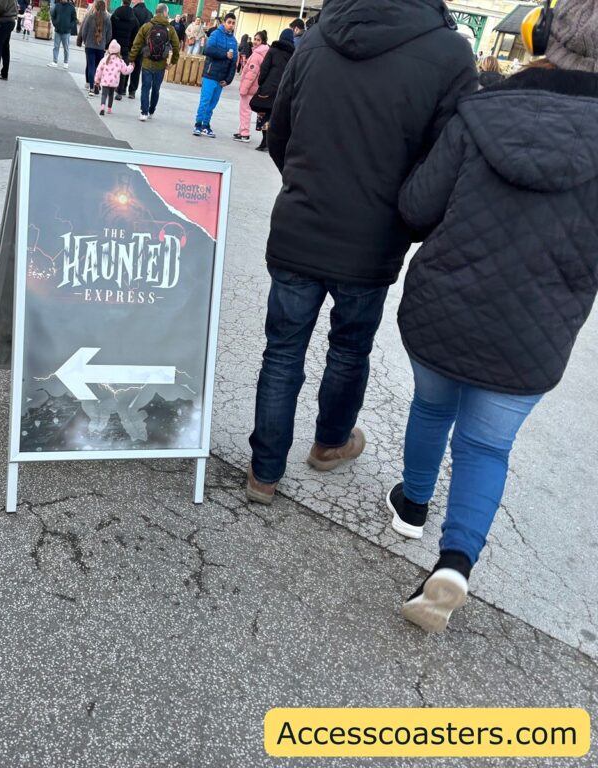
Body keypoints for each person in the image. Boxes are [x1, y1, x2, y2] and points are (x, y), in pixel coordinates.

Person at [389, 0, 598, 633]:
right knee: (486, 445)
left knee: (431, 408)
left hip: (441, 310)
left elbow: (417, 208)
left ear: (539, 34)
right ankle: (453, 564)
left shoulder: (478, 111)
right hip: (534, 334)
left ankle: (412, 506)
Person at [244, 0, 477, 507]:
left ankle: (265, 471)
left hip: (300, 223)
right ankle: (329, 444)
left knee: (282, 350)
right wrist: (407, 218)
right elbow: (446, 161)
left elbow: (280, 130)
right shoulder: (450, 51)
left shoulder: (321, 35)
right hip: (373, 236)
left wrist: (304, 187)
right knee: (349, 349)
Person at [128, 2, 179, 121]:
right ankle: (151, 111)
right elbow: (176, 47)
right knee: (156, 89)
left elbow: (137, 44)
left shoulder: (147, 26)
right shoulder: (170, 29)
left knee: (145, 87)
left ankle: (144, 112)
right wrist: (173, 62)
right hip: (161, 64)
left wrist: (132, 59)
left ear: (156, 12)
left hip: (147, 62)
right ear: (165, 13)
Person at [191, 12, 237, 138]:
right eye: (229, 22)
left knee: (213, 103)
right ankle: (198, 124)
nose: (231, 25)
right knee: (205, 101)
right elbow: (208, 50)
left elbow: (234, 62)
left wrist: (228, 80)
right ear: (224, 22)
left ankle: (206, 125)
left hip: (221, 78)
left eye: (233, 23)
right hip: (210, 74)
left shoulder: (233, 40)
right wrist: (224, 54)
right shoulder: (216, 34)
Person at [250, 28, 294, 151]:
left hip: (268, 88)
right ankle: (270, 141)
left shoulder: (273, 51)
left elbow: (264, 68)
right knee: (275, 115)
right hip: (283, 90)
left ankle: (264, 140)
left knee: (264, 114)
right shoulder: (294, 54)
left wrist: (261, 83)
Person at [234, 30, 268, 142]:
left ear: (263, 42)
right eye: (255, 39)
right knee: (245, 110)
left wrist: (244, 88)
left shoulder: (257, 55)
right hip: (255, 87)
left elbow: (251, 74)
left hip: (250, 88)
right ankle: (242, 131)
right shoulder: (264, 53)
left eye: (258, 40)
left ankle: (245, 133)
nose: (255, 42)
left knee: (245, 110)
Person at [77, 0, 112, 97]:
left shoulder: (90, 17)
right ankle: (97, 85)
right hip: (101, 47)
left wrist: (85, 40)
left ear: (95, 7)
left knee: (91, 66)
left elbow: (84, 31)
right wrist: (105, 43)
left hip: (89, 46)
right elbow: (109, 34)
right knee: (98, 67)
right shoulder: (108, 19)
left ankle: (91, 88)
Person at [94, 40, 134, 115]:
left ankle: (102, 107)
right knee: (111, 94)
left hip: (105, 81)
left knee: (104, 94)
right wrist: (131, 66)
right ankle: (109, 109)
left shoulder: (104, 59)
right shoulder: (120, 61)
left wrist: (97, 81)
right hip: (113, 82)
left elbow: (99, 70)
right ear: (118, 51)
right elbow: (125, 71)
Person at [110, 0, 140, 99]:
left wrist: (109, 43)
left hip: (114, 45)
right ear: (130, 2)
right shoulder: (133, 18)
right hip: (126, 47)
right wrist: (131, 46)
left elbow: (111, 30)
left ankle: (109, 86)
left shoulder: (115, 14)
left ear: (122, 2)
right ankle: (120, 91)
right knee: (123, 69)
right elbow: (136, 33)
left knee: (111, 66)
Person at [126, 0, 153, 98]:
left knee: (127, 64)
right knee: (137, 68)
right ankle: (132, 91)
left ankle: (123, 87)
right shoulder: (150, 14)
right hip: (143, 46)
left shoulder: (132, 11)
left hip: (131, 43)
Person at [49, 0, 78, 69]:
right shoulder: (57, 6)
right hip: (58, 31)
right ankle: (55, 62)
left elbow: (74, 19)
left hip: (66, 32)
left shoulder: (71, 7)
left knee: (66, 48)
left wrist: (70, 26)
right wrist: (55, 24)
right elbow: (53, 16)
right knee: (56, 47)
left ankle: (66, 62)